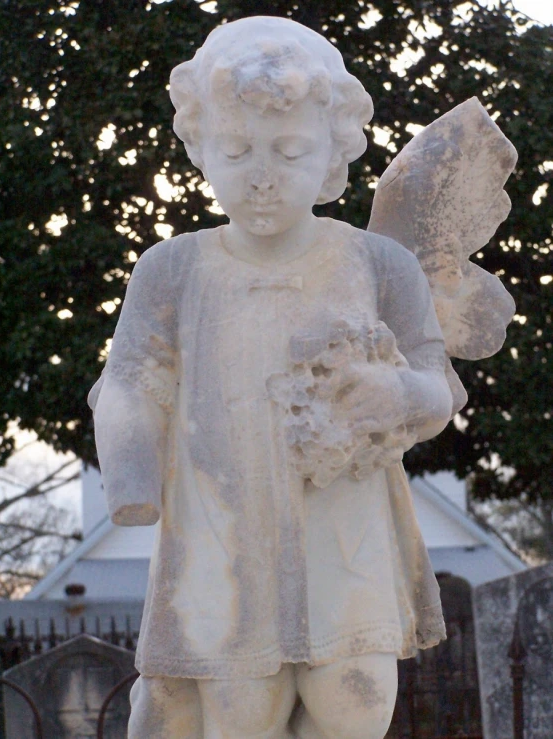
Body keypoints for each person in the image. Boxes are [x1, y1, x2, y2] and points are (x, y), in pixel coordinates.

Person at [89, 16, 454, 739]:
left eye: (289, 152)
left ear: (330, 155)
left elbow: (437, 383)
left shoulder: (380, 264)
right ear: (199, 149)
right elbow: (131, 380)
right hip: (222, 548)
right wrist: (129, 479)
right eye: (236, 149)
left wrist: (400, 394)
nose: (260, 175)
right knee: (240, 715)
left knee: (359, 699)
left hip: (347, 540)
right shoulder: (171, 270)